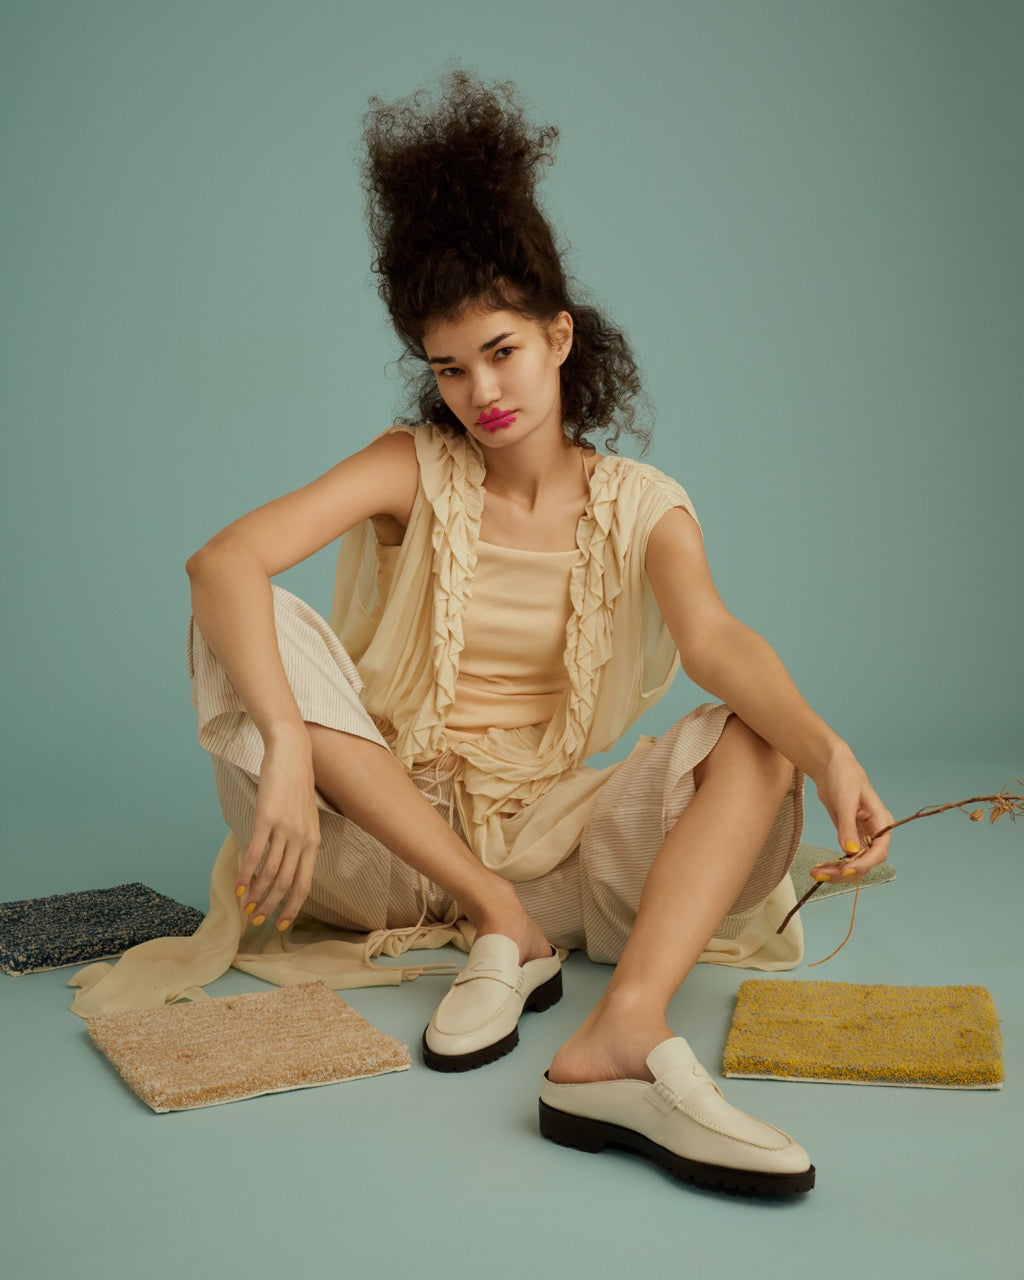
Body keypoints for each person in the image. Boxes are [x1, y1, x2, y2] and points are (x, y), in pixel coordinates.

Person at [97, 73, 894, 1196]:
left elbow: (714, 638)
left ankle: (621, 1028)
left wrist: (831, 752)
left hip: (556, 850)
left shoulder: (642, 504)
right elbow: (220, 563)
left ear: (560, 336)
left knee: (759, 737)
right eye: (450, 367)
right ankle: (496, 922)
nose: (480, 390)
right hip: (369, 846)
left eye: (503, 350)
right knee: (249, 616)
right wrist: (281, 745)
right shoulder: (411, 466)